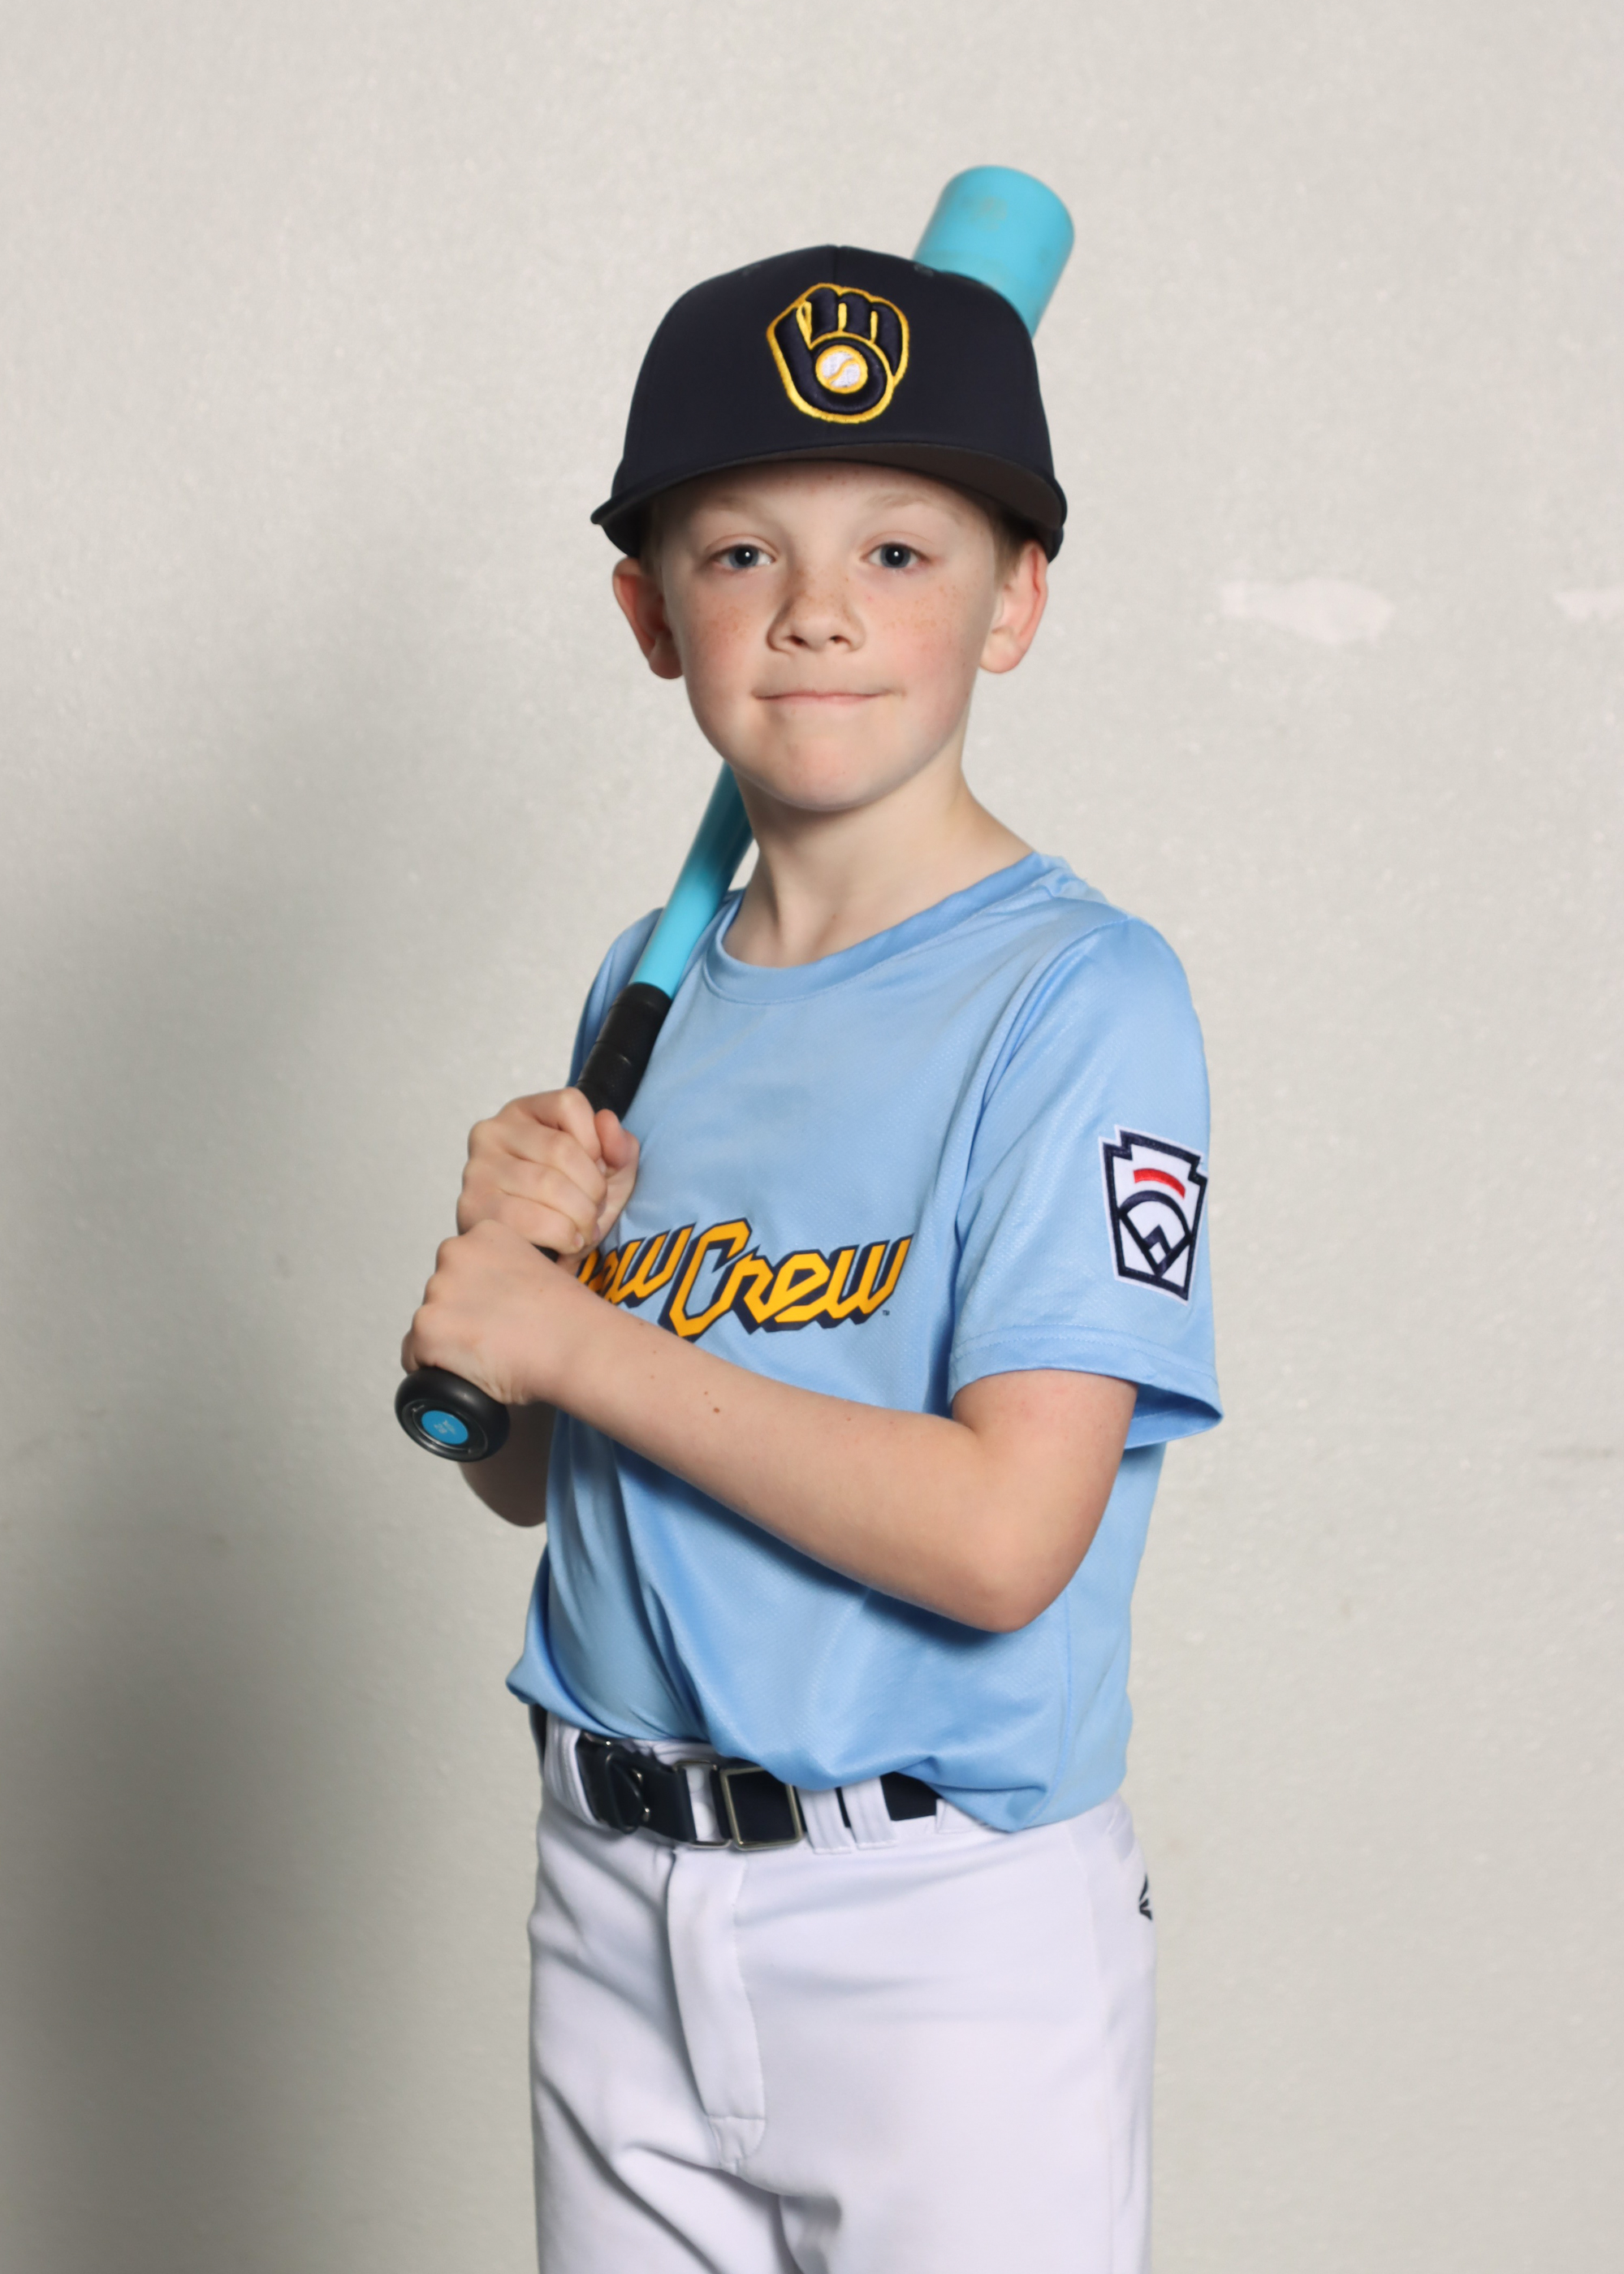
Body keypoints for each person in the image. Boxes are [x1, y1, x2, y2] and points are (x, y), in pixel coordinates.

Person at [400, 243, 1221, 2273]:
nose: (820, 609)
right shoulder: (653, 983)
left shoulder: (1080, 998)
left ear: (1014, 601)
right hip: (611, 1883)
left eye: (900, 550)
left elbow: (1002, 1538)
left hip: (933, 1929)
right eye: (741, 551)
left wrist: (576, 1344)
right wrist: (513, 1287)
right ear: (648, 614)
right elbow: (537, 1477)